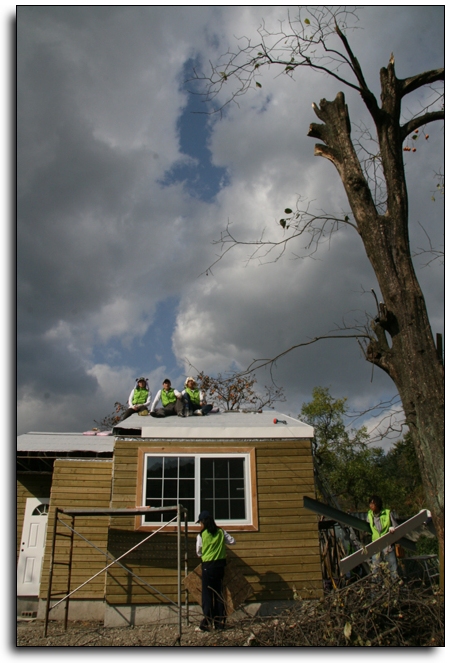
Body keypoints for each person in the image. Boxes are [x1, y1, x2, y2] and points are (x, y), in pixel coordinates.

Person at [195, 510, 235, 632]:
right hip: (220, 567)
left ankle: (207, 623)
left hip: (207, 567)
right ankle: (219, 623)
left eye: (200, 522)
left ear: (203, 522)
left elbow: (198, 552)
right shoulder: (221, 532)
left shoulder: (201, 535)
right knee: (219, 595)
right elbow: (232, 541)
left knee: (207, 596)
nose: (200, 525)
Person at [367, 495, 399, 580]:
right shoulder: (369, 515)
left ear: (377, 504)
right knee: (375, 570)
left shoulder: (388, 513)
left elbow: (396, 527)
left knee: (393, 568)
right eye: (370, 503)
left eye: (373, 503)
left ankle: (395, 585)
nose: (371, 505)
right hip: (376, 545)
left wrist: (392, 529)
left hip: (387, 545)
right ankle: (376, 587)